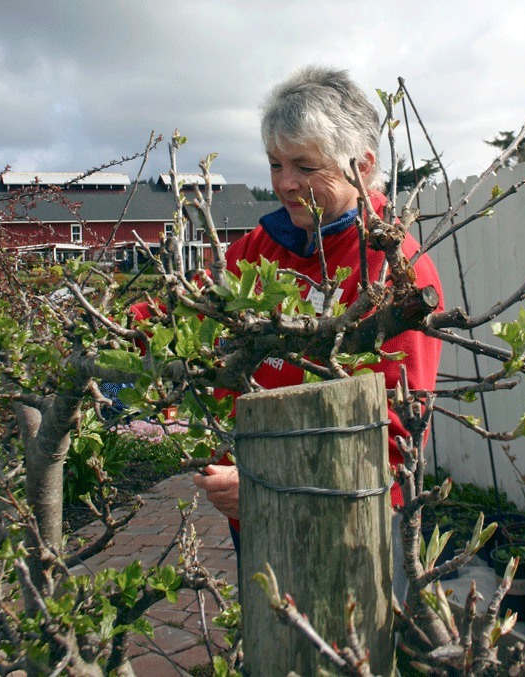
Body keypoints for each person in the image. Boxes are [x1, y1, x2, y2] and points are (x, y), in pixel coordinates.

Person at [192, 66, 444, 595]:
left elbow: (392, 441)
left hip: (343, 520)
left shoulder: (394, 275)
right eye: (276, 164)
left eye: (305, 166)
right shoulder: (265, 246)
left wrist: (270, 488)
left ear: (363, 167)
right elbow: (188, 305)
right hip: (251, 509)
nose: (284, 183)